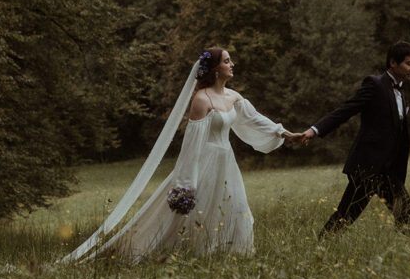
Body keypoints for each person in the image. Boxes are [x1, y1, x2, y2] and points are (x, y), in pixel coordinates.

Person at [64, 48, 303, 262]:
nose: (232, 64)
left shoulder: (233, 96)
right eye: (227, 61)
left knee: (236, 205)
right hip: (205, 161)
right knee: (196, 209)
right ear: (215, 68)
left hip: (226, 160)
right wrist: (186, 184)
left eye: (231, 61)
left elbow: (254, 119)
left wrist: (283, 133)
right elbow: (192, 145)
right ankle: (150, 250)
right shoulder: (201, 100)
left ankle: (233, 252)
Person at [301, 41, 410, 236]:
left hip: (388, 170)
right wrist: (314, 130)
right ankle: (320, 246)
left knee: (406, 211)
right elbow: (346, 110)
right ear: (392, 63)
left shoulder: (400, 91)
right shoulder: (375, 84)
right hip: (368, 167)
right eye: (408, 63)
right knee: (346, 215)